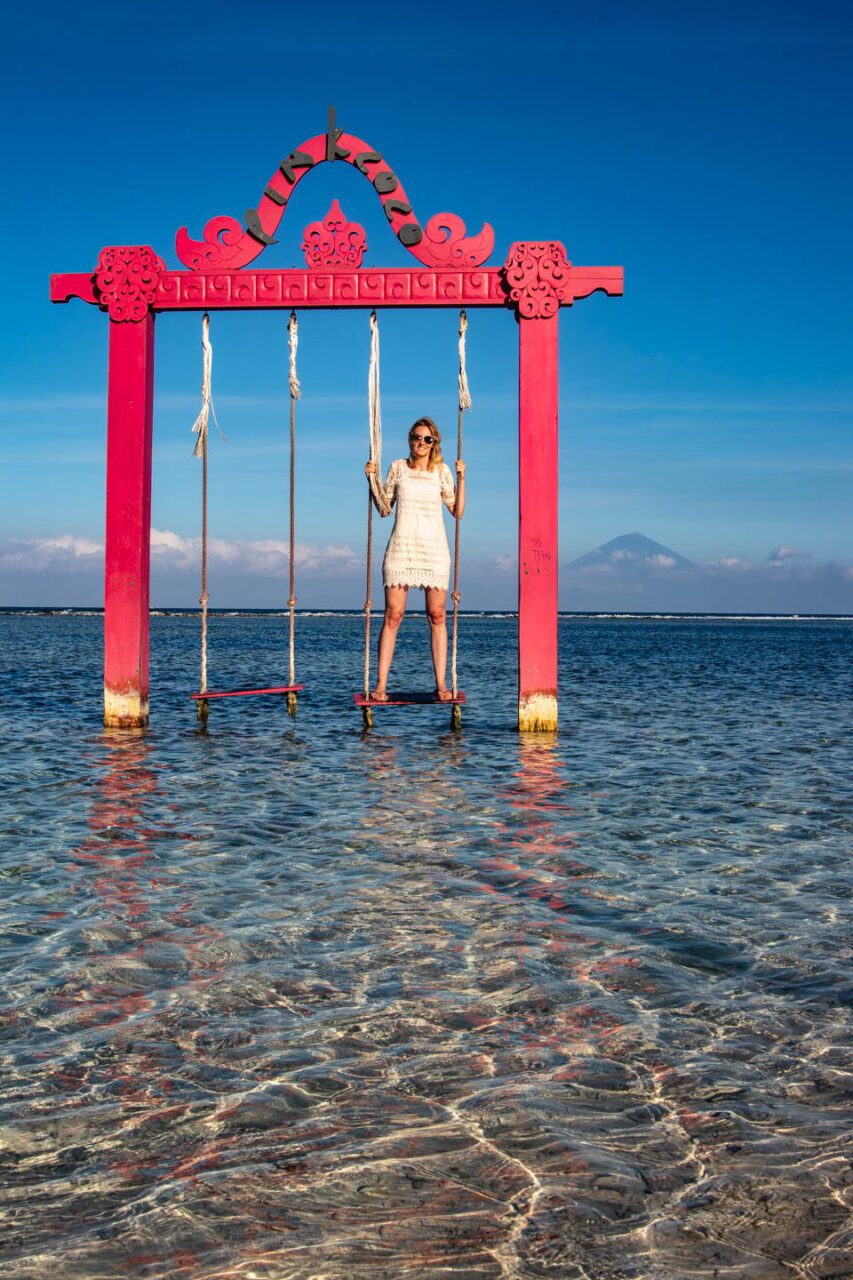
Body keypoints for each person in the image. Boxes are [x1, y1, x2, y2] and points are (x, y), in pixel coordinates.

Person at [364, 417, 466, 701]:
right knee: (393, 616)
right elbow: (384, 508)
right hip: (402, 547)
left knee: (437, 615)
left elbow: (457, 511)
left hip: (433, 549)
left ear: (435, 443)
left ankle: (442, 684)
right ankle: (381, 685)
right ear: (409, 439)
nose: (420, 442)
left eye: (426, 439)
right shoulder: (398, 468)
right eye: (415, 437)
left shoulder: (441, 471)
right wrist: (371, 479)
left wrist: (462, 477)